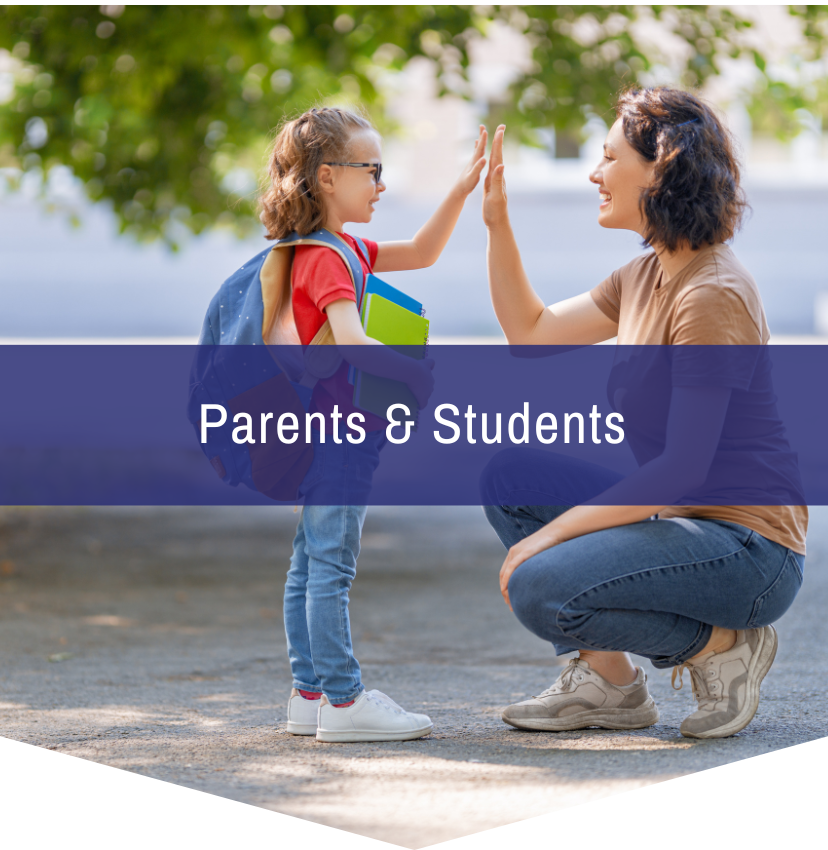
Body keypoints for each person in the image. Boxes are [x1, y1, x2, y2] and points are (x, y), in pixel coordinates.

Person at [479, 87, 808, 739]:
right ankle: (611, 684)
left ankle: (721, 646)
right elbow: (532, 331)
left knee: (543, 586)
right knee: (512, 479)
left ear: (660, 168)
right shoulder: (642, 275)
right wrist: (497, 224)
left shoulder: (712, 292)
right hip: (684, 525)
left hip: (748, 549)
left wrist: (548, 539)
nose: (593, 173)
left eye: (608, 157)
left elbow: (681, 468)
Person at [259, 107, 487, 742]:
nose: (381, 185)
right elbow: (355, 343)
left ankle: (310, 695)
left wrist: (462, 189)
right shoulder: (329, 258)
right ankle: (344, 699)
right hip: (339, 434)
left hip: (316, 432)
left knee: (308, 562)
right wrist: (414, 376)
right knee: (331, 564)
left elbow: (421, 252)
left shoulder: (336, 249)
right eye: (373, 171)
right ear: (328, 177)